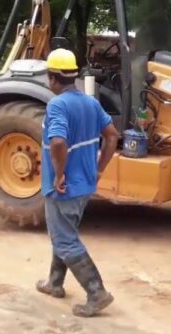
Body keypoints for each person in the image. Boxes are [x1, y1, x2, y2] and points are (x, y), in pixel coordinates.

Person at [35, 48, 119, 318]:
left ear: (52, 77)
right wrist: (100, 169)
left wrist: (59, 175)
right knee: (62, 234)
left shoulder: (57, 105)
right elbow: (112, 135)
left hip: (64, 187)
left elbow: (58, 141)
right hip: (84, 184)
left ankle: (97, 293)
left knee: (65, 239)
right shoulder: (90, 102)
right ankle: (54, 283)